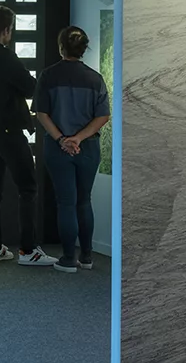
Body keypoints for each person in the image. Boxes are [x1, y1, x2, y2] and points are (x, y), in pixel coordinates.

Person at [0, 6, 58, 267]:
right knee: (28, 187)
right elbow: (32, 88)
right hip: (8, 132)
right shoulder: (5, 57)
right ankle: (28, 250)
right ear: (6, 30)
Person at [33, 26, 111, 273]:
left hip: (58, 149)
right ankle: (87, 257)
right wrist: (78, 138)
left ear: (60, 47)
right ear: (84, 49)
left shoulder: (48, 76)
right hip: (88, 148)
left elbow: (41, 113)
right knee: (84, 201)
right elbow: (103, 117)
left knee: (66, 202)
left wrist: (62, 140)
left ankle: (68, 259)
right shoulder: (95, 78)